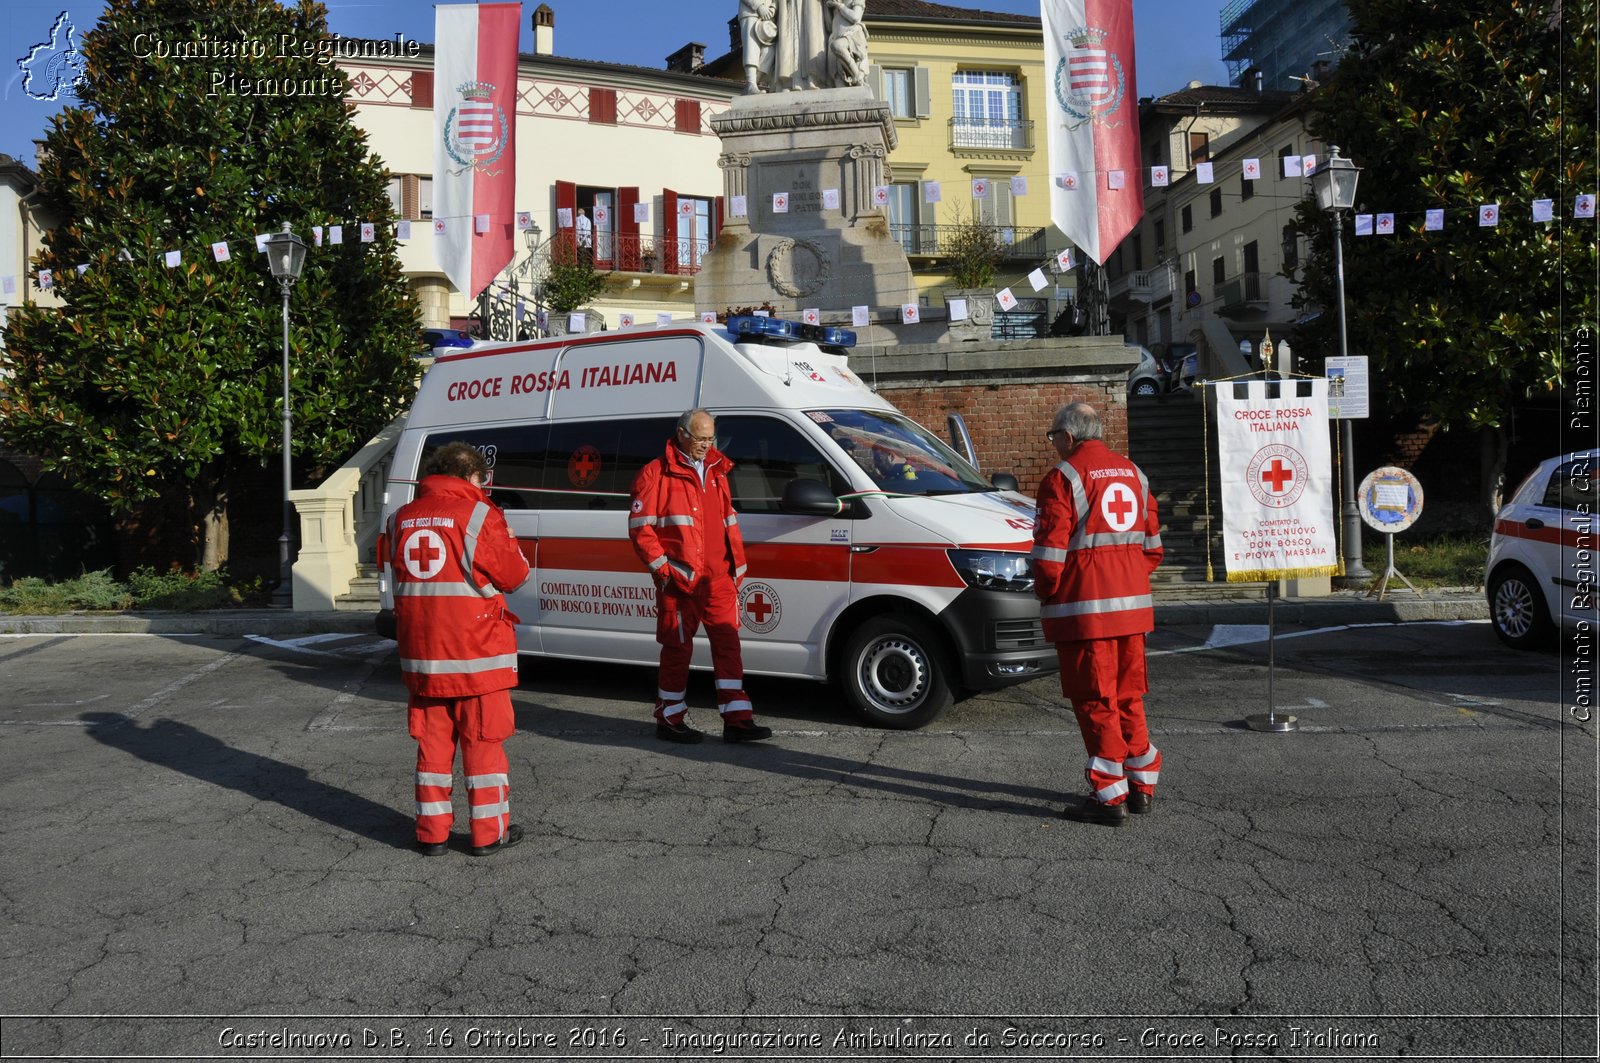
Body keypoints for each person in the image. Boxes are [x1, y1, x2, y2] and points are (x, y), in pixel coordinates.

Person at [383, 441, 532, 856]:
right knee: (483, 745)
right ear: (472, 476)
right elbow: (515, 575)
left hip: (423, 657)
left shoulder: (400, 519)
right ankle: (489, 834)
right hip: (476, 655)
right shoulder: (481, 515)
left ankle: (432, 836)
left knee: (432, 749)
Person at [1031, 403, 1164, 827]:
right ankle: (1141, 787)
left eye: (1053, 437)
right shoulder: (1134, 474)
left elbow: (1049, 558)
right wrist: (1124, 581)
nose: (1053, 445)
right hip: (1133, 612)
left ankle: (1109, 799)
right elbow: (1152, 549)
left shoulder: (1064, 478)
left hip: (1085, 613)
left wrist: (1048, 594)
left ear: (1068, 437)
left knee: (1096, 701)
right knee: (1128, 697)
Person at [628, 409, 773, 744]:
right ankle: (669, 717)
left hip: (719, 578)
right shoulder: (656, 474)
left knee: (728, 645)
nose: (707, 445)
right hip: (681, 580)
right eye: (700, 438)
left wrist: (735, 568)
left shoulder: (718, 470)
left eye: (711, 438)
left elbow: (724, 521)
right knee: (677, 650)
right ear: (682, 434)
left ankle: (736, 718)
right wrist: (665, 570)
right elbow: (640, 530)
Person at [739, 0, 778, 93]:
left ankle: (753, 83)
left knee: (770, 53)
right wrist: (759, 6)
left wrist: (773, 7)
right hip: (750, 12)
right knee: (751, 49)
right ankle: (751, 84)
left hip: (769, 17)